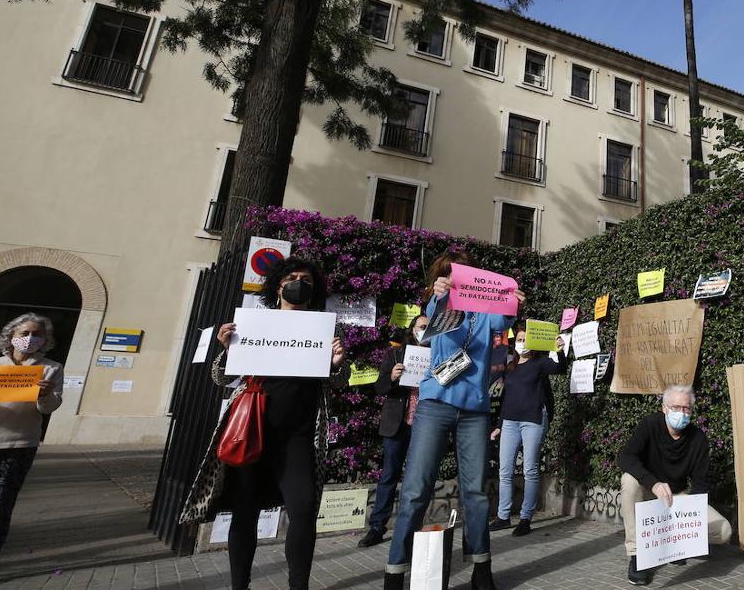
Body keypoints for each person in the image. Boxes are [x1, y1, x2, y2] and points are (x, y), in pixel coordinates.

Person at [179, 258, 348, 590]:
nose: (298, 283)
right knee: (245, 511)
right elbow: (222, 379)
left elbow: (339, 383)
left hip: (298, 437)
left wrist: (338, 364)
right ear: (278, 285)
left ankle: (298, 585)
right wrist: (228, 351)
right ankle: (239, 585)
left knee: (302, 511)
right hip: (252, 433)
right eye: (292, 277)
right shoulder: (256, 323)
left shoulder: (327, 329)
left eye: (306, 279)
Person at [384, 251, 523, 590]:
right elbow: (431, 322)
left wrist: (512, 302)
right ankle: (395, 571)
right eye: (448, 272)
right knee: (416, 489)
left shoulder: (487, 312)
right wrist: (439, 294)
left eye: (460, 272)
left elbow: (504, 322)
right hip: (434, 405)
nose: (454, 277)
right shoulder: (438, 303)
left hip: (474, 410)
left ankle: (481, 568)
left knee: (475, 492)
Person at [617, 385, 732, 586]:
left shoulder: (698, 438)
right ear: (664, 408)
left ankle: (675, 545)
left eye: (686, 408)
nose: (681, 412)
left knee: (723, 531)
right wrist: (652, 483)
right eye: (676, 407)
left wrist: (688, 518)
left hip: (677, 497)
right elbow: (625, 457)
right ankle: (638, 556)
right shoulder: (649, 426)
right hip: (648, 493)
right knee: (628, 480)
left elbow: (701, 483)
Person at [488, 324, 567, 537]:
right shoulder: (510, 366)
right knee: (505, 471)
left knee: (530, 470)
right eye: (519, 339)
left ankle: (525, 518)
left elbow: (559, 368)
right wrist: (499, 425)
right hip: (510, 422)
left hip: (533, 420)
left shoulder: (540, 363)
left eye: (526, 339)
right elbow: (507, 399)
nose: (522, 343)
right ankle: (503, 516)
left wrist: (559, 350)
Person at [358, 314, 430, 547]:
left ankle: (411, 527)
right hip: (397, 424)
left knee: (417, 478)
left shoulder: (436, 355)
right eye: (421, 326)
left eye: (428, 327)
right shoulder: (395, 354)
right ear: (412, 329)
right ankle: (377, 527)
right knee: (389, 475)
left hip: (424, 424)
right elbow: (379, 387)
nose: (424, 330)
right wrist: (391, 376)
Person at [0, 313, 63, 557]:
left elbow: (48, 409)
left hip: (19, 444)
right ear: (11, 336)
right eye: (25, 333)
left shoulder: (51, 369)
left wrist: (45, 395)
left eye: (37, 334)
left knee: (1, 503)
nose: (30, 338)